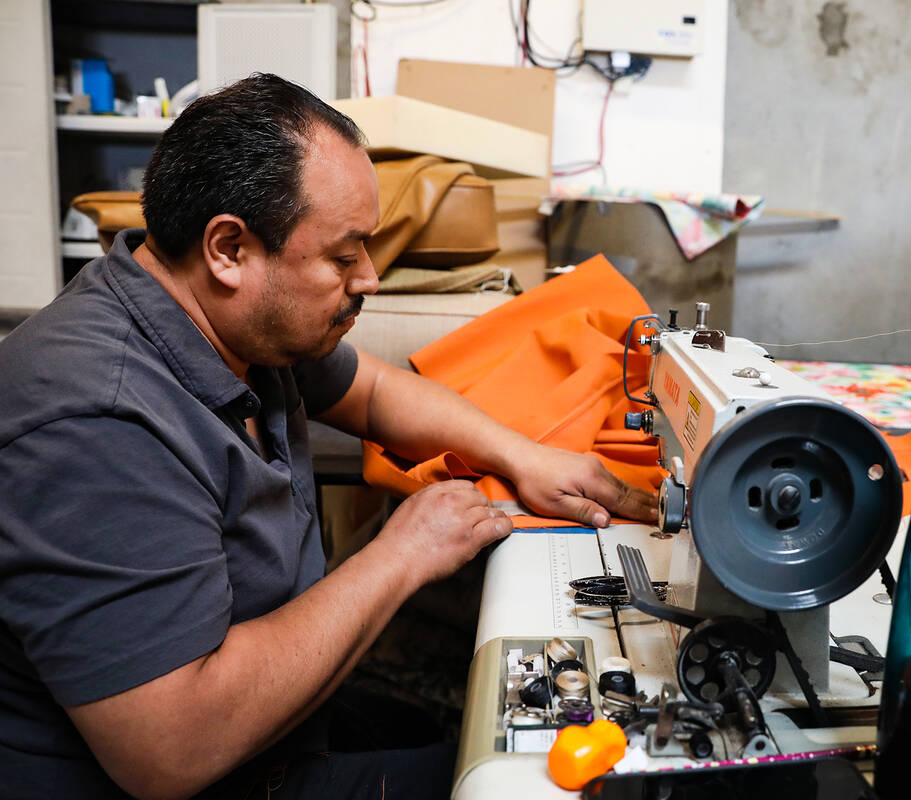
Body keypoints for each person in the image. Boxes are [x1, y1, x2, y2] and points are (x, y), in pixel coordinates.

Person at [0, 73, 656, 799]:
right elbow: (172, 752)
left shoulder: (227, 321)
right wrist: (402, 554)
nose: (369, 279)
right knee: (548, 786)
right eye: (343, 257)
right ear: (228, 248)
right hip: (191, 766)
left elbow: (371, 391)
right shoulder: (98, 422)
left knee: (455, 729)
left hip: (266, 728)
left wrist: (519, 454)